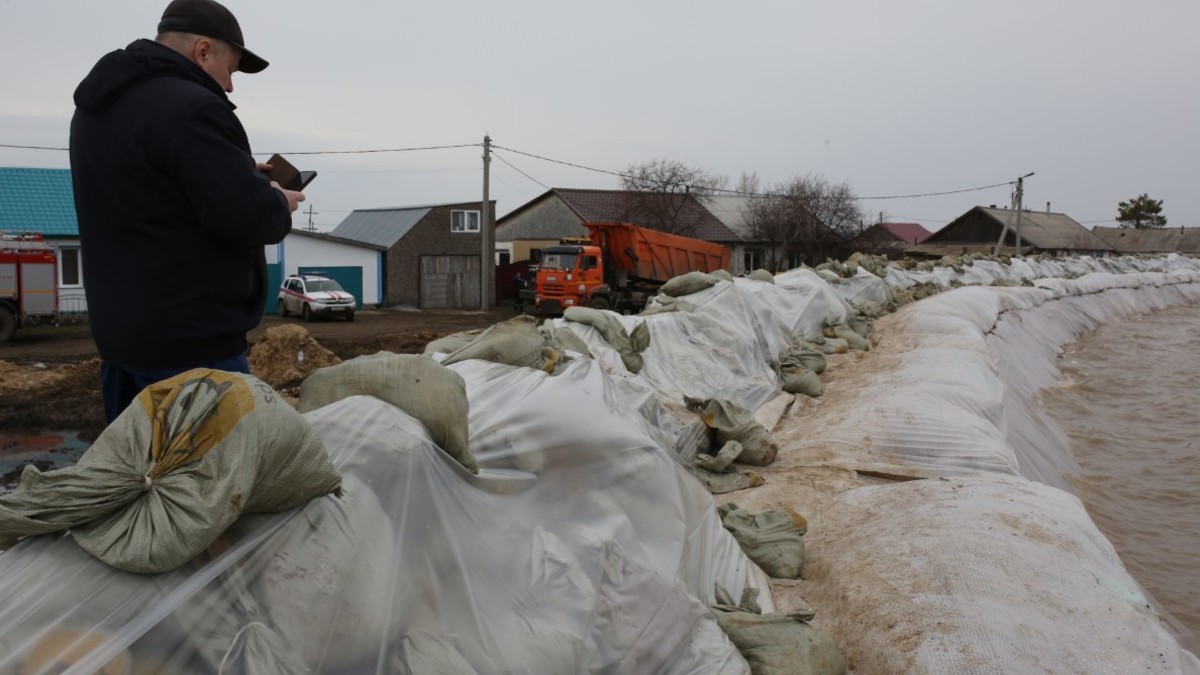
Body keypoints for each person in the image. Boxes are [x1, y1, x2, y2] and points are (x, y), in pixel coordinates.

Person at [69, 0, 304, 423]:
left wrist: (230, 168)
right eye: (230, 71)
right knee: (208, 481)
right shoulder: (194, 109)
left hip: (121, 339)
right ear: (202, 51)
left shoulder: (97, 108)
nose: (229, 87)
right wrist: (277, 200)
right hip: (191, 350)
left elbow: (150, 182)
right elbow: (248, 217)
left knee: (135, 476)